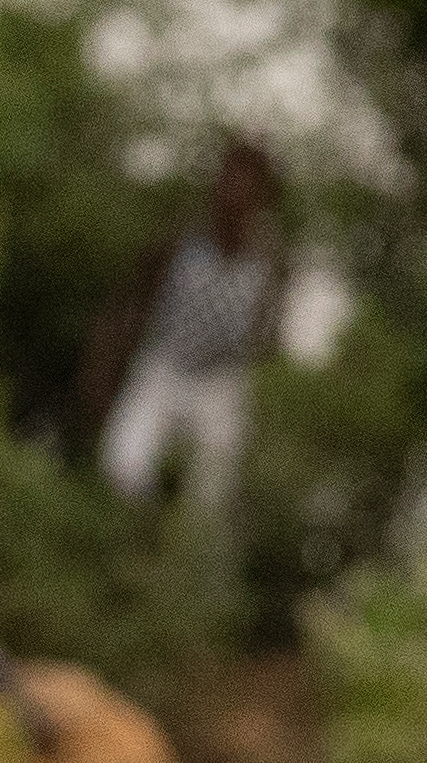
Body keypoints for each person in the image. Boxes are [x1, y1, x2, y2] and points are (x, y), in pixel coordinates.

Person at [92, 145, 286, 522]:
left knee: (209, 504)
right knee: (123, 467)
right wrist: (105, 372)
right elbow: (131, 303)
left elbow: (268, 337)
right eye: (229, 177)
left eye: (248, 183)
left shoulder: (268, 260)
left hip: (221, 384)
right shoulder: (182, 237)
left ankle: (183, 567)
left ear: (260, 197)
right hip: (164, 366)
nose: (235, 191)